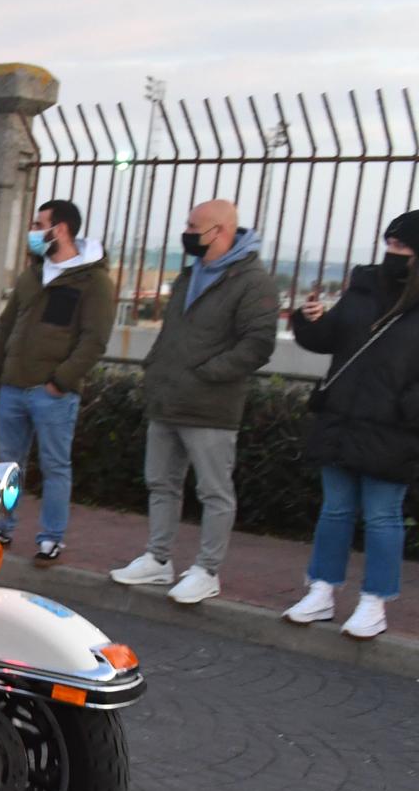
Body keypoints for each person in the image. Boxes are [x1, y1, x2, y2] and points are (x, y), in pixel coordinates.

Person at [110, 199, 279, 604]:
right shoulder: (191, 274)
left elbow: (258, 344)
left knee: (214, 492)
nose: (185, 232)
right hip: (168, 399)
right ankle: (158, 558)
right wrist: (158, 370)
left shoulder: (253, 281)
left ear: (219, 231)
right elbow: (175, 333)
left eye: (192, 225)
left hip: (211, 407)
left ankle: (207, 570)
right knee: (160, 483)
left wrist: (205, 373)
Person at [281, 211, 419, 639]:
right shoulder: (363, 287)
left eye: (402, 247)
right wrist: (311, 320)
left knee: (382, 516)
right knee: (335, 510)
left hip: (392, 428)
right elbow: (330, 340)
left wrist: (405, 408)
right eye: (389, 244)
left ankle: (374, 601)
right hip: (341, 417)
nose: (392, 253)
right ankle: (322, 591)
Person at [0, 199, 115, 562]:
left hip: (52, 393)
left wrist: (60, 381)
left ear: (62, 229)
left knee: (55, 466)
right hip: (11, 387)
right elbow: (6, 327)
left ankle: (50, 538)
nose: (34, 232)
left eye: (40, 225)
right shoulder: (32, 274)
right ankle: (0, 530)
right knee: (8, 465)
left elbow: (94, 340)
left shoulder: (94, 281)